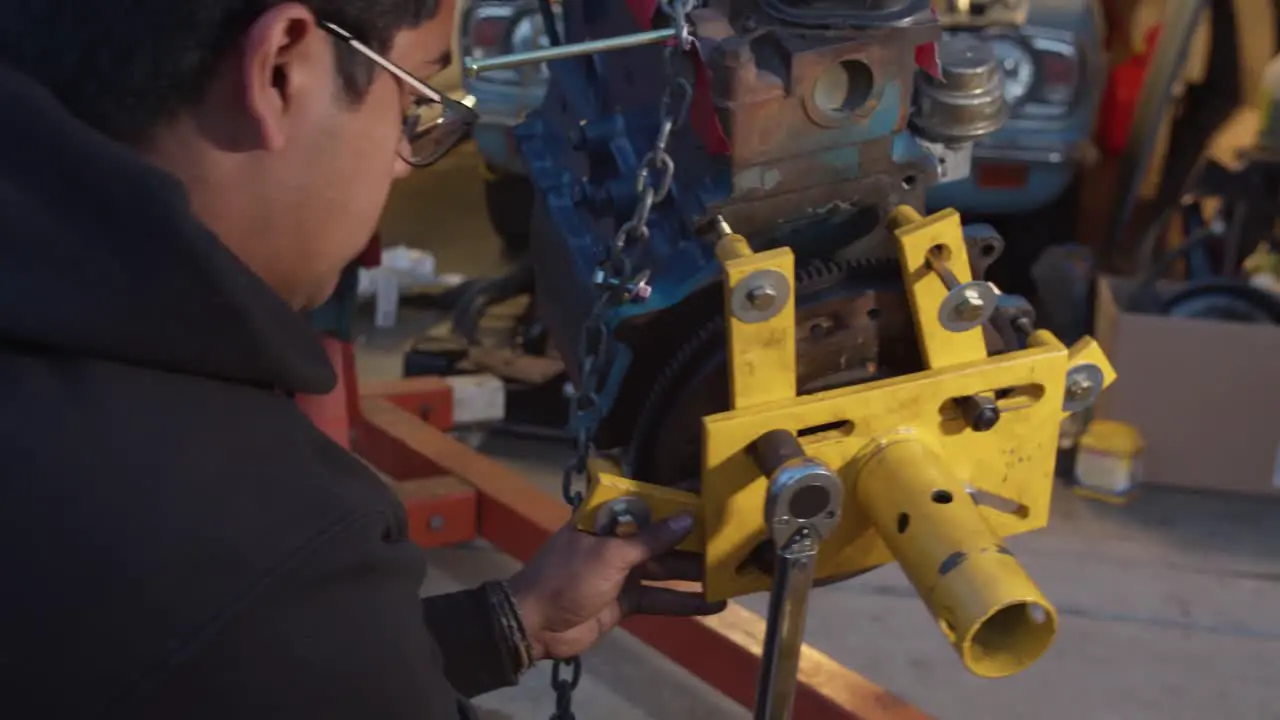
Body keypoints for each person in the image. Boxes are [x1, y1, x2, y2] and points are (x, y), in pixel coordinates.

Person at [0, 1, 724, 718]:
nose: (405, 165)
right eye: (412, 96)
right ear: (282, 68)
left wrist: (507, 623)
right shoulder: (251, 546)